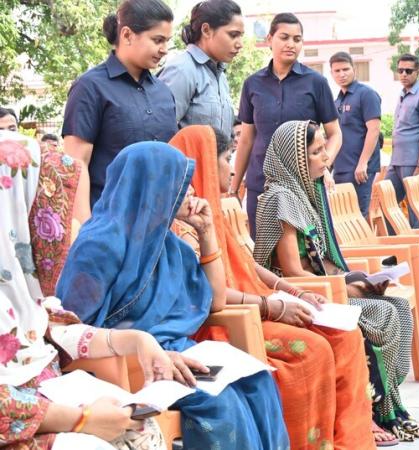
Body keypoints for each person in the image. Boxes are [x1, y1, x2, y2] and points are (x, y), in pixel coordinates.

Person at [57, 142, 290, 450]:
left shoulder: (166, 243)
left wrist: (207, 232)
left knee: (258, 383)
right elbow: (72, 329)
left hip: (177, 353)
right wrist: (150, 353)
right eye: (178, 180)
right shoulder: (98, 246)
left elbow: (215, 301)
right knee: (221, 403)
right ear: (149, 185)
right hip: (127, 360)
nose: (189, 191)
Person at [168, 125, 377, 448]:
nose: (233, 168)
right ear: (204, 164)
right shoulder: (184, 226)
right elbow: (209, 295)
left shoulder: (211, 212)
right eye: (226, 158)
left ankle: (349, 441)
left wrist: (293, 292)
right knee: (312, 350)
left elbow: (244, 263)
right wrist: (272, 307)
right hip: (228, 321)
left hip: (256, 303)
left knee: (346, 334)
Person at [252, 120, 419, 443]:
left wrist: (359, 280)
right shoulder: (281, 199)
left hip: (322, 287)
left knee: (397, 307)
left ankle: (382, 407)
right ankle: (367, 412)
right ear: (295, 159)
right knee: (381, 313)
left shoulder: (303, 195)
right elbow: (292, 271)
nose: (326, 157)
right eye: (317, 152)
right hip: (301, 296)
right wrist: (343, 287)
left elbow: (323, 262)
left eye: (324, 149)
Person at [0, 132, 166, 449]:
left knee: (141, 428)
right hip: (24, 423)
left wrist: (135, 340)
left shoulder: (14, 280)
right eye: (35, 204)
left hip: (48, 398)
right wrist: (82, 420)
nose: (53, 223)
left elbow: (46, 329)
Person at [62, 0, 176, 223]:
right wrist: (85, 230)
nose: (164, 49)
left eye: (167, 41)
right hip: (108, 223)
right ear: (127, 35)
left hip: (158, 224)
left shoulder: (163, 92)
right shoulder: (90, 87)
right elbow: (75, 164)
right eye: (157, 40)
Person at [230, 12, 341, 238]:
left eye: (297, 39)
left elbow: (335, 133)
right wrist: (234, 189)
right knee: (263, 248)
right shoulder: (252, 84)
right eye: (284, 37)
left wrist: (322, 166)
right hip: (261, 183)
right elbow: (247, 139)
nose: (291, 44)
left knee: (305, 251)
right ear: (269, 39)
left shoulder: (316, 83)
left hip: (303, 185)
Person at [158, 0, 242, 138]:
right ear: (206, 30)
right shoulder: (182, 70)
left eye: (241, 36)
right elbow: (161, 132)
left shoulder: (221, 76)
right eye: (233, 35)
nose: (240, 44)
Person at [329, 51, 383, 218]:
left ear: (354, 69)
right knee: (342, 218)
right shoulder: (336, 101)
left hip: (360, 170)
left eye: (346, 69)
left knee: (358, 217)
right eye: (337, 71)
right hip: (340, 168)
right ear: (332, 73)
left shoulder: (366, 94)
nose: (342, 74)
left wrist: (363, 163)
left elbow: (374, 130)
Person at [387, 53, 419, 229]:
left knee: (415, 210)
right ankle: (396, 245)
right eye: (400, 70)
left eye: (408, 71)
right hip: (396, 161)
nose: (404, 74)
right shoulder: (402, 94)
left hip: (414, 162)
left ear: (417, 72)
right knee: (387, 203)